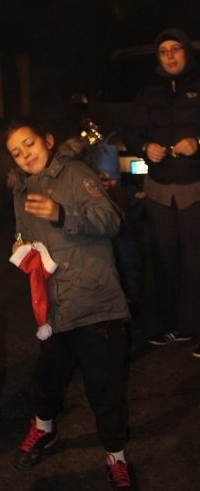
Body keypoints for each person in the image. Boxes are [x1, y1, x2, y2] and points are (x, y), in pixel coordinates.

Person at [5, 117, 139, 490]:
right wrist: (19, 245)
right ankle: (44, 430)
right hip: (54, 307)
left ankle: (116, 457)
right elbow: (21, 230)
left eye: (29, 143)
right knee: (46, 380)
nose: (24, 154)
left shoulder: (76, 173)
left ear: (47, 140)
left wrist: (61, 213)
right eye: (16, 152)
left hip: (96, 299)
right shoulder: (20, 192)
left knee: (103, 388)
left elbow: (110, 220)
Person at [123, 28, 200, 357]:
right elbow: (131, 132)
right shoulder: (149, 91)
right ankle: (173, 325)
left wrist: (198, 143)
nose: (170, 56)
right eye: (164, 51)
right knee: (165, 260)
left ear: (187, 52)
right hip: (158, 191)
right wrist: (145, 146)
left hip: (194, 188)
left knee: (196, 261)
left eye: (176, 49)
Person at [91, 137, 146, 317]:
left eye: (111, 178)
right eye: (101, 178)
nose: (107, 183)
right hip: (103, 249)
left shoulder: (126, 192)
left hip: (125, 245)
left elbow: (137, 214)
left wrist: (139, 201)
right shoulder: (91, 195)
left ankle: (132, 303)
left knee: (130, 272)